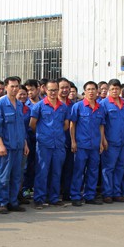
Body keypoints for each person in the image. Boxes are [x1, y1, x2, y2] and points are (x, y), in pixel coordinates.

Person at [0, 76, 29, 214]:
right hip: (6, 146)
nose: (14, 89)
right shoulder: (0, 104)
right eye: (12, 86)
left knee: (17, 176)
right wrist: (0, 145)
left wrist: (25, 143)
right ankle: (3, 202)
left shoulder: (20, 104)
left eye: (16, 86)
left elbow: (21, 127)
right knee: (3, 176)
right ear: (6, 87)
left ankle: (13, 202)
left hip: (19, 146)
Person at [30, 79, 69, 208]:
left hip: (58, 144)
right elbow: (32, 124)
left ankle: (54, 197)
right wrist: (43, 134)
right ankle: (39, 199)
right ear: (45, 90)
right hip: (43, 145)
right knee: (42, 171)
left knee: (57, 172)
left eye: (55, 90)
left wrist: (56, 134)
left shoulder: (64, 107)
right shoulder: (39, 106)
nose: (53, 92)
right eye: (50, 90)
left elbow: (66, 125)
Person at [68, 81, 106, 207]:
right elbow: (72, 125)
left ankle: (90, 195)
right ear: (84, 92)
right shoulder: (78, 106)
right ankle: (75, 196)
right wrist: (73, 141)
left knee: (93, 171)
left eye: (93, 89)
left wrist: (101, 142)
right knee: (78, 171)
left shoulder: (100, 108)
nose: (91, 92)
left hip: (95, 145)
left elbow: (101, 126)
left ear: (97, 91)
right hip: (81, 145)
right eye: (88, 89)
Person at [99, 78, 124, 203]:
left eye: (117, 89)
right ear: (108, 90)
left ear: (120, 90)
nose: (115, 91)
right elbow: (101, 124)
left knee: (120, 167)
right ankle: (107, 193)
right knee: (108, 168)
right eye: (112, 89)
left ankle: (117, 193)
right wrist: (103, 139)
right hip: (110, 141)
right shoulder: (104, 104)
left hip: (122, 141)